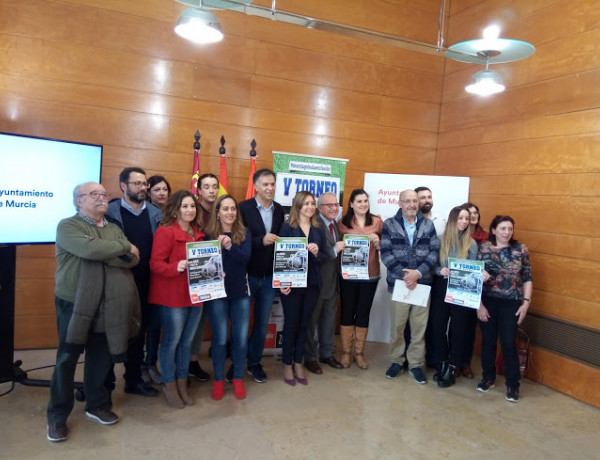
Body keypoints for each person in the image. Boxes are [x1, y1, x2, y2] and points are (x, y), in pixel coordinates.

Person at [47, 182, 140, 442]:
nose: (102, 198)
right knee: (67, 360)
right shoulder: (68, 226)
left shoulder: (113, 227)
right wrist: (122, 248)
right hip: (73, 303)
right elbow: (92, 249)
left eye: (103, 194)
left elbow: (133, 260)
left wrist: (112, 250)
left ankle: (96, 405)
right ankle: (56, 417)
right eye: (94, 194)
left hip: (107, 304)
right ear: (79, 201)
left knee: (101, 356)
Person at [106, 167, 161, 396]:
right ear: (123, 186)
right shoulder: (110, 211)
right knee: (110, 333)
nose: (143, 187)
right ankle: (102, 384)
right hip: (118, 282)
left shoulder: (156, 212)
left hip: (148, 283)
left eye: (144, 183)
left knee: (140, 333)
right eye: (137, 183)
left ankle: (133, 380)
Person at [148, 190, 205, 408]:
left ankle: (182, 382)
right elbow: (155, 264)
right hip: (173, 296)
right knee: (171, 342)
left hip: (196, 294)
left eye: (192, 206)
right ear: (175, 209)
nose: (189, 210)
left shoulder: (198, 233)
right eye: (185, 206)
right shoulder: (165, 232)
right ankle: (169, 384)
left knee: (187, 342)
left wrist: (216, 273)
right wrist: (176, 267)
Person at [380, 189, 439, 384]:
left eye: (415, 201)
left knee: (418, 328)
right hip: (398, 285)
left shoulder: (428, 225)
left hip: (423, 285)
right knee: (397, 327)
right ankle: (397, 361)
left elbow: (434, 252)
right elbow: (386, 254)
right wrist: (406, 276)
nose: (412, 205)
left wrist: (418, 273)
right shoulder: (390, 224)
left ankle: (415, 364)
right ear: (400, 203)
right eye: (408, 201)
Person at [476, 215, 533, 403]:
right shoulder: (483, 249)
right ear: (493, 230)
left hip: (511, 303)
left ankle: (512, 384)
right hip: (488, 301)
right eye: (502, 228)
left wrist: (526, 302)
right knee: (488, 342)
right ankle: (488, 377)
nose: (507, 232)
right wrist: (479, 305)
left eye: (510, 228)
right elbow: (474, 279)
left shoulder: (520, 249)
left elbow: (527, 277)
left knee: (508, 343)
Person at [239, 168, 285, 383]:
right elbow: (238, 239)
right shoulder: (243, 208)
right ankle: (238, 364)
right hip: (247, 276)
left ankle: (254, 364)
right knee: (240, 324)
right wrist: (260, 240)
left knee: (261, 325)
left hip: (269, 278)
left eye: (273, 184)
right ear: (255, 186)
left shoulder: (279, 210)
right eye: (265, 184)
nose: (269, 188)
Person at [279, 191, 329, 386]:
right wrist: (283, 282)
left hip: (312, 284)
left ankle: (298, 362)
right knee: (291, 324)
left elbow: (326, 256)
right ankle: (286, 363)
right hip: (291, 285)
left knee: (304, 325)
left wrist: (317, 253)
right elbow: (280, 257)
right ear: (298, 206)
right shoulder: (286, 227)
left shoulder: (318, 228)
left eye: (312, 203)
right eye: (306, 203)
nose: (309, 207)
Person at [203, 195, 251, 400]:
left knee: (240, 339)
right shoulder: (207, 235)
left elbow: (245, 259)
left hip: (240, 292)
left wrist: (230, 246)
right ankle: (219, 380)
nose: (230, 212)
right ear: (218, 212)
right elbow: (204, 263)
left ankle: (238, 378)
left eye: (233, 209)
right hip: (216, 294)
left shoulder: (245, 233)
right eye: (225, 209)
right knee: (220, 340)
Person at [429, 205, 478, 387]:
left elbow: (474, 271)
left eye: (467, 219)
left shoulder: (471, 244)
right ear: (452, 220)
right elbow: (431, 265)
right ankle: (442, 363)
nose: (464, 222)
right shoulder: (440, 240)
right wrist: (439, 270)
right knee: (438, 327)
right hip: (442, 286)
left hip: (462, 289)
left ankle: (452, 367)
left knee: (458, 330)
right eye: (461, 218)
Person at [336, 189, 383, 369]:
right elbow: (336, 245)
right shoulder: (342, 224)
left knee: (363, 312)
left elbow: (387, 246)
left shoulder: (378, 222)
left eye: (365, 201)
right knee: (347, 311)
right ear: (351, 204)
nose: (363, 204)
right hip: (347, 275)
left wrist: (378, 242)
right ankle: (347, 352)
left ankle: (359, 353)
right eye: (359, 201)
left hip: (370, 275)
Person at [303, 192, 346, 375]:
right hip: (317, 283)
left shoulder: (334, 224)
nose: (334, 208)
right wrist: (334, 250)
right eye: (329, 205)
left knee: (328, 321)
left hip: (332, 283)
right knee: (311, 323)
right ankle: (310, 358)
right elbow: (316, 252)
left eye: (336, 205)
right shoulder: (315, 225)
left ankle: (326, 354)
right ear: (319, 208)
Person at [188, 173, 219, 382]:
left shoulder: (221, 210)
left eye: (214, 186)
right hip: (197, 274)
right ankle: (188, 362)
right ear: (199, 190)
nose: (211, 190)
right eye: (206, 186)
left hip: (218, 273)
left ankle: (196, 360)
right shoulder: (193, 211)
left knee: (212, 319)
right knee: (195, 322)